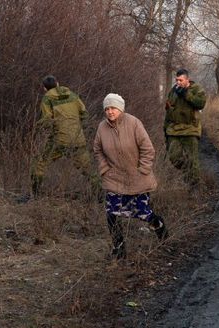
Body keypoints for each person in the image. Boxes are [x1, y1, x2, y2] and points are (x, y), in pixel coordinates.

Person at [93, 93, 169, 259]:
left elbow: (148, 149)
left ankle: (160, 228)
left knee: (143, 213)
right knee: (111, 213)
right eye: (107, 108)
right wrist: (104, 168)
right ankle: (119, 247)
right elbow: (97, 150)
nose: (110, 112)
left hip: (137, 178)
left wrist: (143, 169)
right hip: (114, 178)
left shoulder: (134, 123)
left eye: (113, 108)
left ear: (120, 108)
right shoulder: (102, 128)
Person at [29, 75, 99, 198]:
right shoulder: (72, 95)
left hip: (59, 141)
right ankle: (99, 196)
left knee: (39, 164)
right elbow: (84, 114)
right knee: (89, 170)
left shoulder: (47, 98)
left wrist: (37, 126)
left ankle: (35, 195)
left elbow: (47, 120)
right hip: (78, 139)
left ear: (45, 88)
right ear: (58, 83)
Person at [164, 68, 207, 186]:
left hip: (190, 129)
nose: (178, 82)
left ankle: (195, 186)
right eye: (177, 80)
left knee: (193, 160)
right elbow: (168, 111)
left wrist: (186, 94)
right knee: (173, 157)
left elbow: (200, 103)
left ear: (187, 80)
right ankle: (188, 172)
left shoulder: (196, 89)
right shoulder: (173, 91)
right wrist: (165, 130)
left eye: (181, 80)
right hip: (173, 130)